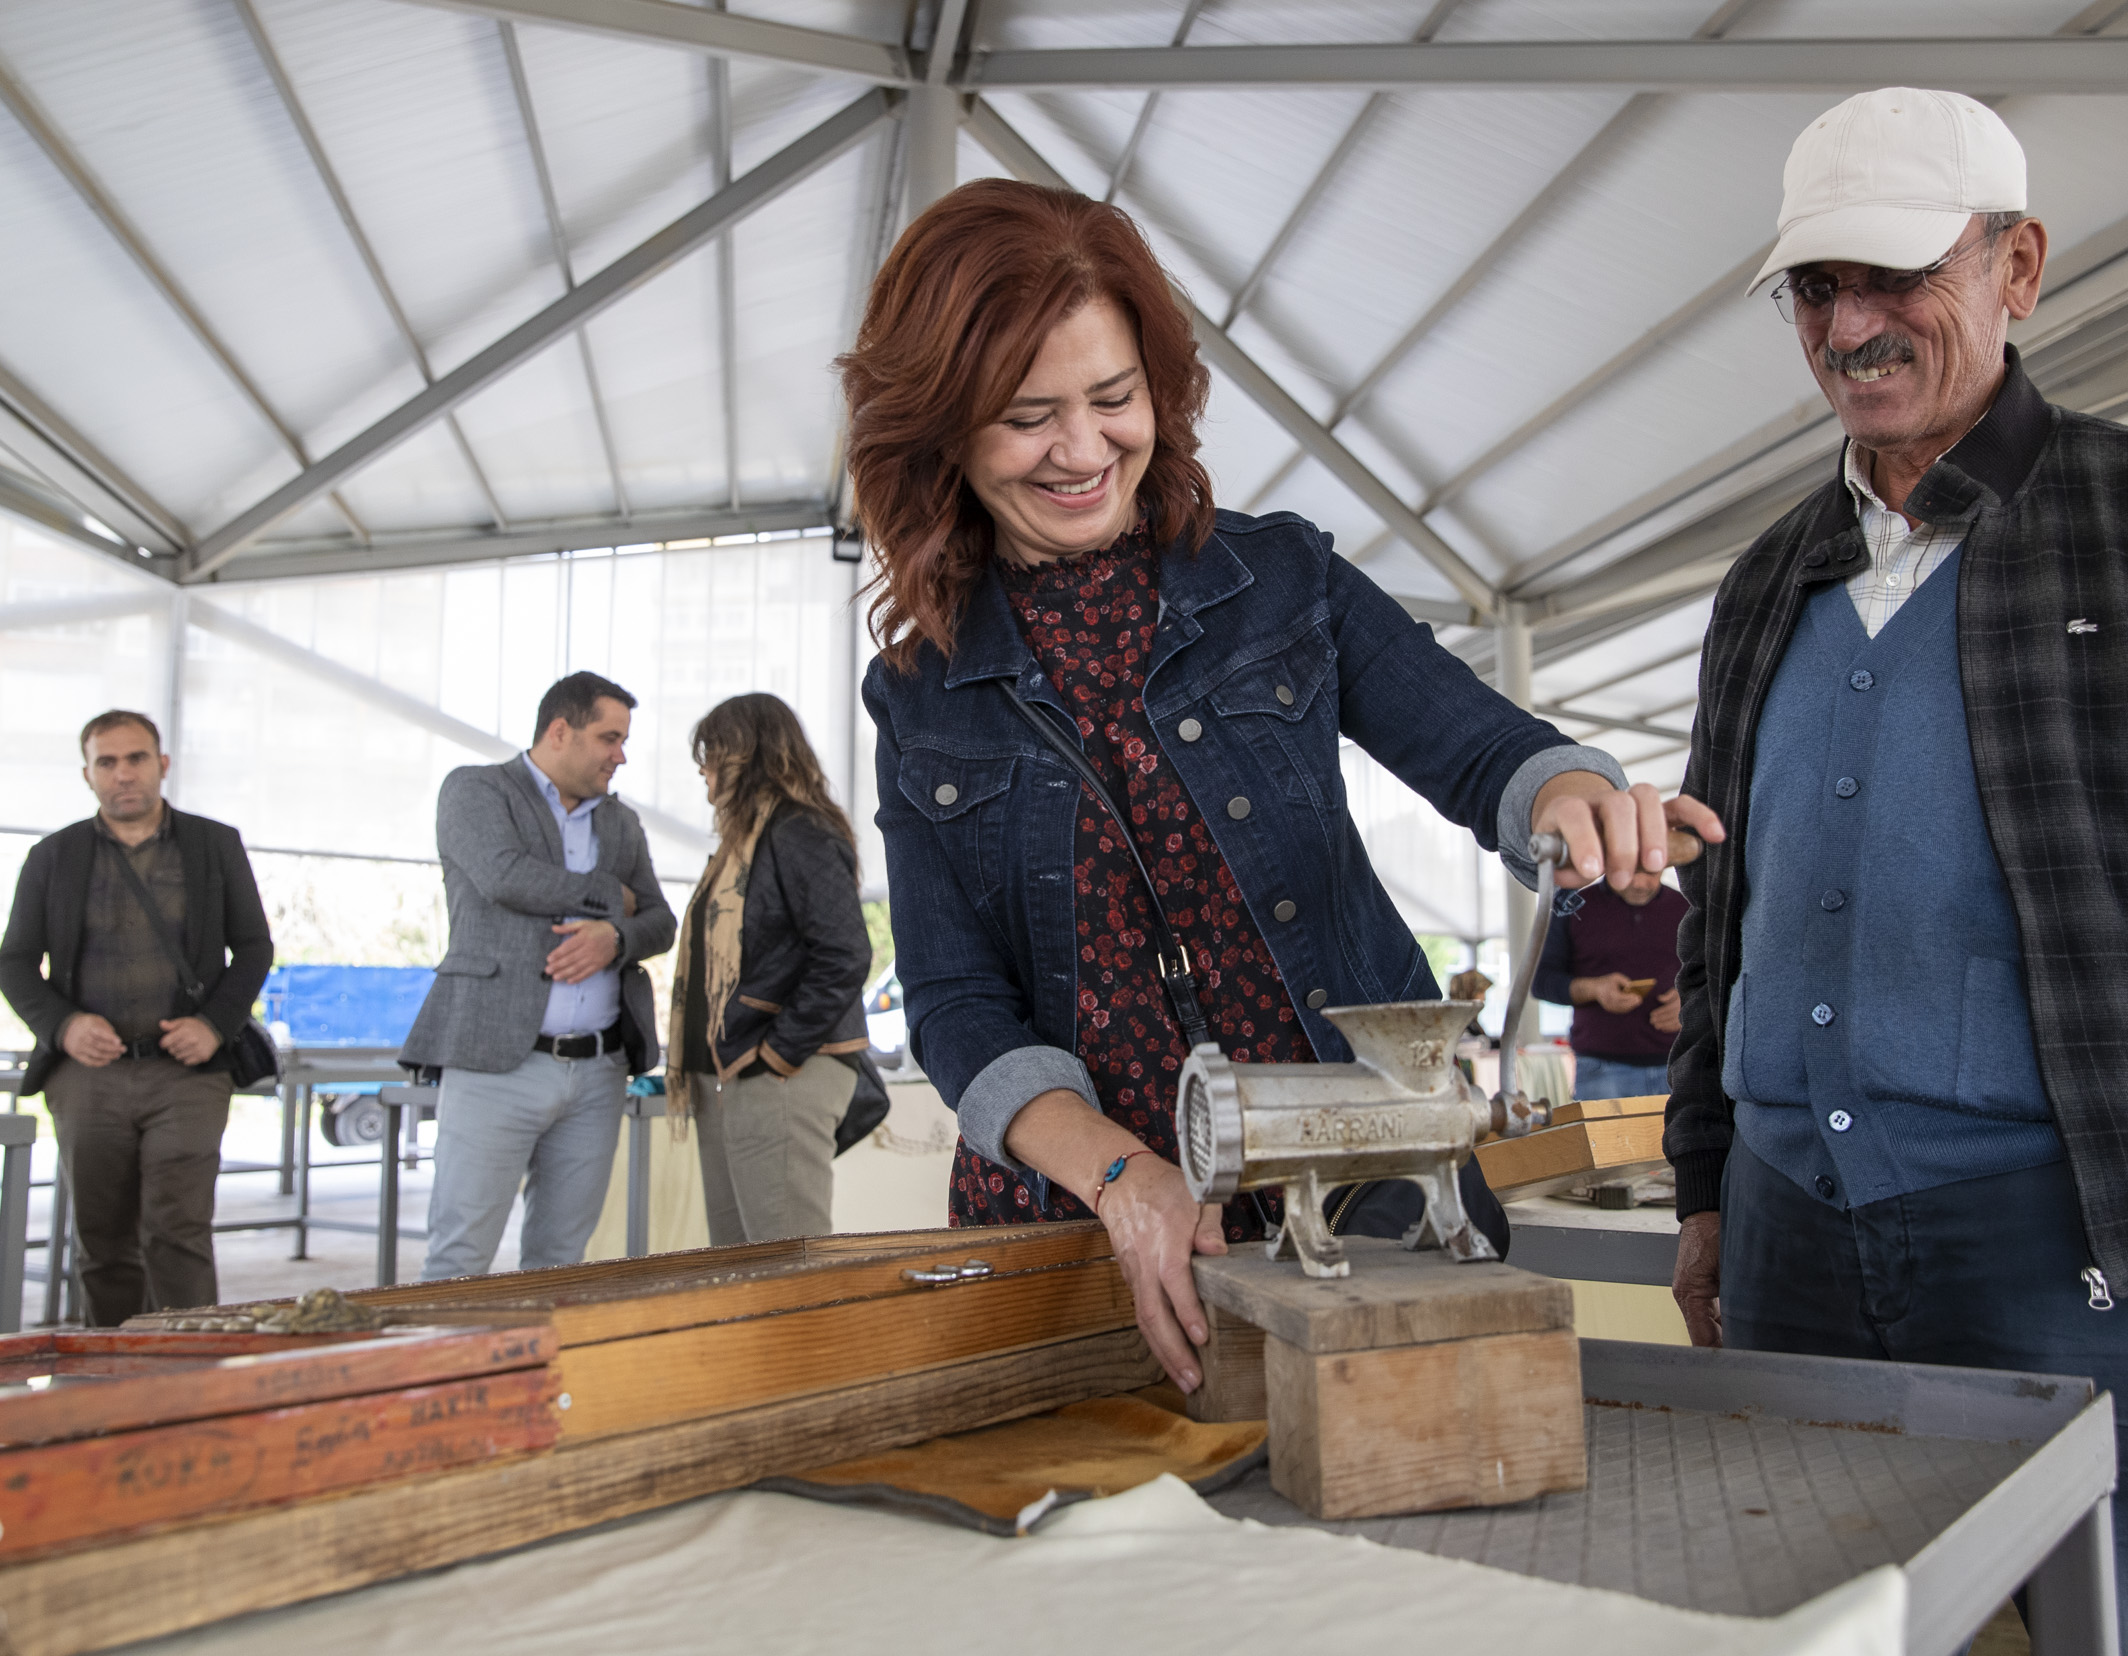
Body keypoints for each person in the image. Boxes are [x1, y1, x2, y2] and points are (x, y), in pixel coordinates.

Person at [1663, 89, 2128, 1656]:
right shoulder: (1762, 583)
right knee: (1819, 1621)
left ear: (2019, 266)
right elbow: (1720, 918)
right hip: (1793, 1222)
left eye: (1893, 276)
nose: (1851, 323)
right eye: (1815, 289)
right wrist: (1707, 1176)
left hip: (2077, 1235)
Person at [852, 179, 1722, 1392]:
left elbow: (1479, 747)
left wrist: (1567, 798)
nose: (1082, 449)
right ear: (941, 429)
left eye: (1114, 399)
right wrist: (1122, 1175)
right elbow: (953, 1004)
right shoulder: (920, 693)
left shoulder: (1280, 581)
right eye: (1025, 416)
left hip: (1368, 1197)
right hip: (1087, 1234)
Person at [402, 672, 677, 1279]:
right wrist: (615, 898)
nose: (621, 755)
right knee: (460, 1257)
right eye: (610, 738)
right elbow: (506, 876)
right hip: (496, 1062)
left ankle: (545, 1377)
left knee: (562, 1263)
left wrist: (615, 938)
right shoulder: (476, 791)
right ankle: (447, 1376)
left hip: (599, 1072)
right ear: (560, 731)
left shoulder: (621, 822)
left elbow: (662, 921)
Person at [0, 710, 272, 1324]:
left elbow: (254, 947)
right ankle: (112, 1383)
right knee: (102, 1243)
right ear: (88, 774)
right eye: (108, 762)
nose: (124, 774)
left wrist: (215, 1024)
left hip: (188, 1074)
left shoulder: (214, 844)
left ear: (162, 765)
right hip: (88, 1077)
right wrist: (64, 1025)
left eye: (137, 758)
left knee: (179, 1234)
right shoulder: (53, 856)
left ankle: (190, 1389)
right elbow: (14, 961)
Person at [667, 692, 879, 1244]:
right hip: (736, 1068)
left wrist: (780, 1052)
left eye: (712, 754)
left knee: (788, 1265)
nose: (704, 771)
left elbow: (845, 953)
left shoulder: (798, 829)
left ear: (746, 753)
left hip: (784, 1070)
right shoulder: (741, 842)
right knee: (739, 1263)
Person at [1530, 877, 1687, 1102]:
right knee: (1600, 1139)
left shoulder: (1687, 907)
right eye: (1633, 870)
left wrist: (1690, 1002)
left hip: (1679, 1065)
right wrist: (1594, 989)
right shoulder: (1572, 906)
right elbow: (1541, 982)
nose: (1641, 884)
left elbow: (1718, 976)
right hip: (1601, 1069)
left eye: (1650, 871)